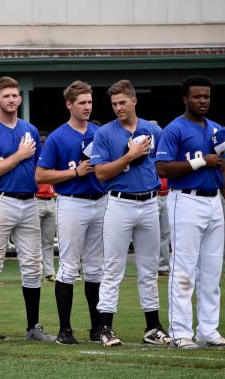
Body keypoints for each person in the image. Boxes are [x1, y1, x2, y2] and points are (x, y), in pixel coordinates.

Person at [156, 76, 225, 349]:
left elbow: (224, 172)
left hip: (212, 203)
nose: (202, 101)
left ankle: (209, 331)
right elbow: (162, 168)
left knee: (211, 271)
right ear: (185, 98)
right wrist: (200, 161)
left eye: (206, 96)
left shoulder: (217, 130)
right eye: (197, 96)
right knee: (184, 270)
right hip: (184, 200)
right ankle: (180, 333)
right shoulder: (174, 129)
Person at [0, 76, 52, 345]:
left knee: (33, 266)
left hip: (29, 201)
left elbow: (40, 172)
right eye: (6, 96)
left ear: (20, 98)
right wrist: (18, 155)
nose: (11, 99)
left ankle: (33, 327)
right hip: (0, 200)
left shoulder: (29, 129)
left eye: (15, 95)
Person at [91, 79, 170, 347]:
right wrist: (129, 155)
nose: (118, 108)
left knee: (150, 268)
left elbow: (163, 164)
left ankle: (153, 328)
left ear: (134, 101)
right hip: (119, 203)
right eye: (114, 104)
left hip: (150, 202)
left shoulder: (154, 129)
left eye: (122, 102)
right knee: (113, 267)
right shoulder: (104, 133)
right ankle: (104, 328)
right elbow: (100, 174)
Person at [36, 80, 105, 345]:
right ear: (69, 104)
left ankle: (98, 327)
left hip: (100, 200)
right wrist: (74, 172)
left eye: (89, 102)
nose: (87, 107)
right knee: (68, 266)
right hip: (71, 201)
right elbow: (40, 174)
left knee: (96, 267)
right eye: (81, 103)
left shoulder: (100, 132)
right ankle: (65, 330)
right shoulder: (57, 136)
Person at [36, 130, 57, 282]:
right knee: (34, 241)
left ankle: (49, 272)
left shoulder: (54, 158)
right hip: (35, 200)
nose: (43, 143)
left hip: (51, 200)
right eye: (41, 140)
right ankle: (36, 272)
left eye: (45, 140)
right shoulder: (34, 158)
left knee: (48, 241)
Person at [157, 177, 170, 275]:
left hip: (168, 194)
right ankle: (150, 266)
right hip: (154, 196)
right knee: (151, 234)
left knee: (165, 234)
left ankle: (163, 267)